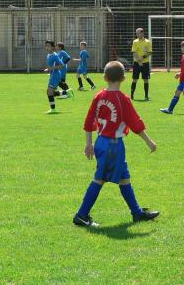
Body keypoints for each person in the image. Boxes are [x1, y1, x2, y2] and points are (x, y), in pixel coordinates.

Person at [73, 61, 159, 228]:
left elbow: (89, 120)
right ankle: (81, 215)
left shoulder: (99, 96)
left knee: (124, 178)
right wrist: (149, 141)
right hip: (113, 145)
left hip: (101, 142)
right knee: (99, 179)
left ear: (105, 78)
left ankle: (137, 213)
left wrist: (89, 143)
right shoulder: (122, 99)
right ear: (124, 78)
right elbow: (135, 123)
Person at [160, 40, 184, 116]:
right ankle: (170, 110)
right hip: (183, 79)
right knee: (177, 92)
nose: (181, 48)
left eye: (182, 47)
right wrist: (179, 74)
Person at [44, 41, 68, 114]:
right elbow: (51, 66)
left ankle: (53, 110)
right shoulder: (49, 55)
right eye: (46, 46)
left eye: (48, 46)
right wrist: (48, 69)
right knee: (50, 92)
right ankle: (66, 92)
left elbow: (61, 65)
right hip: (52, 75)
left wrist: (52, 68)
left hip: (55, 76)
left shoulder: (55, 55)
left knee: (49, 92)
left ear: (52, 47)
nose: (46, 47)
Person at [130, 28, 152, 100]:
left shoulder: (148, 42)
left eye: (138, 33)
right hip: (136, 63)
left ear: (142, 33)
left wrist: (142, 57)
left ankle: (146, 96)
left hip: (145, 63)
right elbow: (134, 52)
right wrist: (139, 60)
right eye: (136, 33)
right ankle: (132, 96)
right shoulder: (135, 42)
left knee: (146, 79)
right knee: (134, 79)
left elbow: (149, 52)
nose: (137, 34)